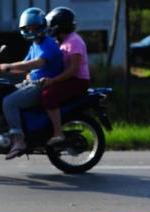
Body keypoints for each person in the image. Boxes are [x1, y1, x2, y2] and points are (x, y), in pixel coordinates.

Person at [0, 7, 63, 160]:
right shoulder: (35, 45)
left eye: (35, 27)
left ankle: (19, 141)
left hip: (42, 85)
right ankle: (7, 133)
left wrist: (9, 66)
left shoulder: (48, 44)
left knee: (9, 102)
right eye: (28, 28)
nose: (31, 30)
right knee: (1, 93)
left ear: (42, 26)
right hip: (31, 83)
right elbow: (23, 67)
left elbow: (37, 64)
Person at [41, 7, 91, 146]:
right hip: (70, 79)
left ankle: (58, 133)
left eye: (52, 24)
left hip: (78, 81)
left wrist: (53, 80)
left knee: (48, 95)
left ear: (59, 25)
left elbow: (73, 69)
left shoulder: (74, 41)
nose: (49, 28)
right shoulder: (63, 41)